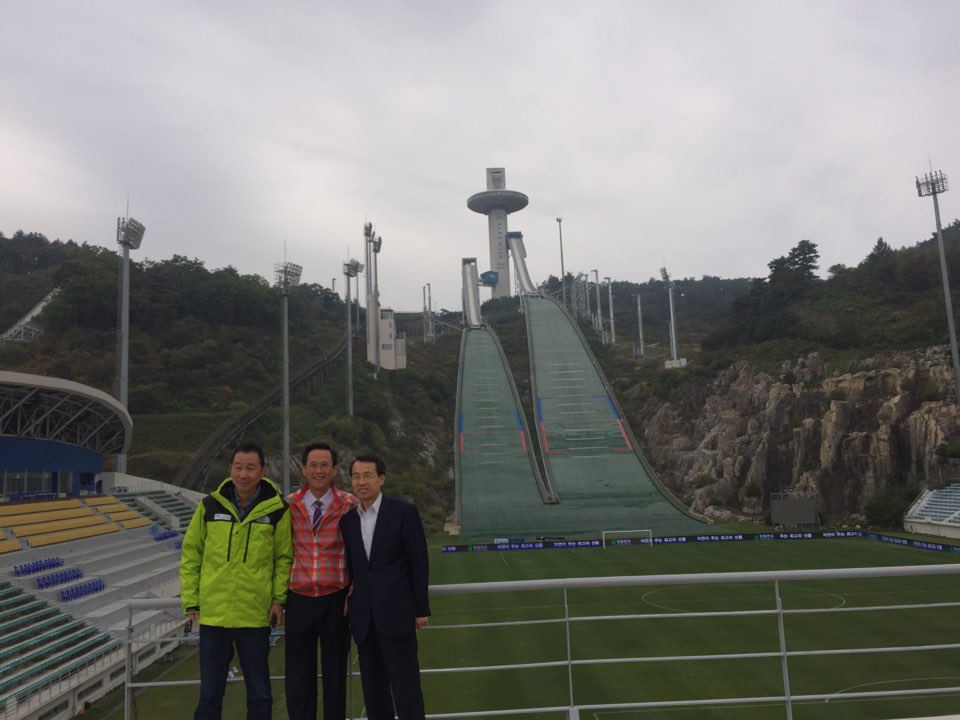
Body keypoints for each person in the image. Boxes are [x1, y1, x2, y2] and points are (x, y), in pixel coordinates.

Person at [180, 442, 293, 720]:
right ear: (230, 468)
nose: (243, 474)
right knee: (209, 694)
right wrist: (191, 599)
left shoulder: (277, 510)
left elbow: (283, 558)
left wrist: (279, 599)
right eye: (238, 467)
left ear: (262, 471)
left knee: (259, 692)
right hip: (213, 615)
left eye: (250, 468)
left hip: (254, 615)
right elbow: (192, 553)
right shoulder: (209, 505)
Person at [339, 453, 430, 720]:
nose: (361, 482)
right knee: (374, 692)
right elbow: (355, 568)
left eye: (367, 475)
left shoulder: (403, 512)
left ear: (381, 478)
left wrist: (420, 609)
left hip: (397, 614)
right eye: (356, 477)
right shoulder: (348, 521)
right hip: (364, 620)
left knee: (406, 690)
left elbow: (418, 562)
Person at [284, 442, 359, 720]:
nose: (319, 470)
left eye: (324, 465)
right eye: (313, 465)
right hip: (298, 599)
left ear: (335, 469)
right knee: (298, 674)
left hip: (336, 599)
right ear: (304, 469)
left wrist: (354, 591)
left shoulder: (349, 504)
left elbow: (360, 553)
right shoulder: (288, 504)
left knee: (335, 673)